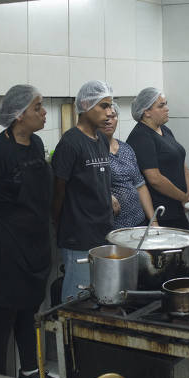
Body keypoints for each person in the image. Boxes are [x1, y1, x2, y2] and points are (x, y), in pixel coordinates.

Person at [0, 85, 57, 378]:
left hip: (35, 242)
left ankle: (29, 373)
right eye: (38, 108)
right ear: (19, 116)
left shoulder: (36, 144)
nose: (43, 113)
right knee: (3, 314)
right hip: (6, 245)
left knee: (28, 310)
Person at [52, 80, 116, 301]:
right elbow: (58, 189)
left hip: (102, 232)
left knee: (96, 297)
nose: (110, 112)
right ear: (86, 105)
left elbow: (99, 181)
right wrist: (60, 224)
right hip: (79, 235)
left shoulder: (101, 140)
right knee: (76, 299)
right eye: (104, 106)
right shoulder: (70, 143)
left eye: (111, 106)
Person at [126, 87, 189, 229]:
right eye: (161, 105)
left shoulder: (164, 130)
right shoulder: (141, 137)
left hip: (178, 207)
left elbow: (181, 161)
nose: (167, 109)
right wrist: (183, 197)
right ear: (146, 112)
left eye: (166, 103)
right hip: (162, 213)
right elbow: (155, 179)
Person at [102, 103, 157, 228]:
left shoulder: (126, 149)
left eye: (113, 116)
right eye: (105, 118)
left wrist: (153, 221)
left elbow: (140, 186)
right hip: (114, 227)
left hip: (138, 221)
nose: (109, 121)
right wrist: (105, 195)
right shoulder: (93, 151)